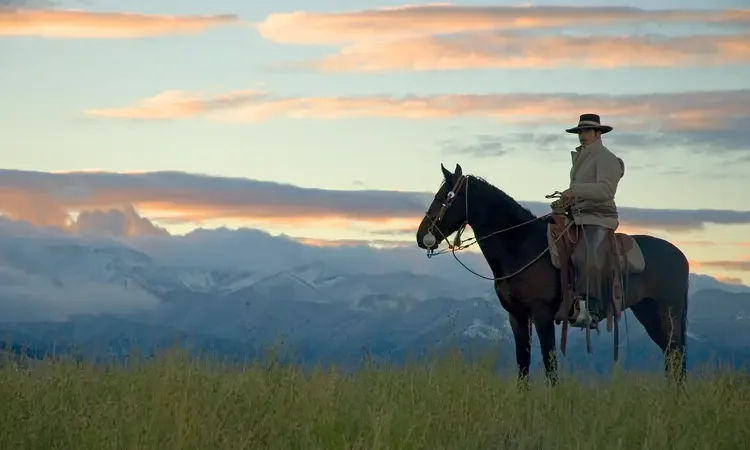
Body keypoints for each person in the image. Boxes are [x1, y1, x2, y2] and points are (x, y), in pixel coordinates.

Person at [559, 113, 625, 329]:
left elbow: (606, 190)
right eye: (580, 131)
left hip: (599, 216)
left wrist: (574, 191)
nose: (582, 135)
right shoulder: (582, 157)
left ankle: (593, 309)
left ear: (598, 133)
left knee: (588, 254)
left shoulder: (606, 158)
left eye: (587, 131)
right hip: (579, 215)